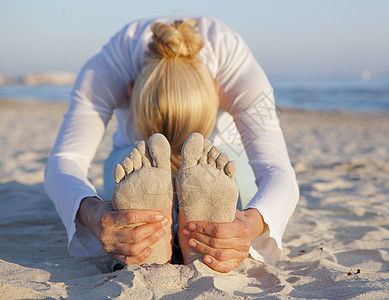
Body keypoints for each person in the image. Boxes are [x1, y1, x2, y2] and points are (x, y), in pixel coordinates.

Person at [44, 15, 299, 273]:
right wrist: (97, 215)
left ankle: (156, 231)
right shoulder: (113, 66)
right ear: (131, 90)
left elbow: (277, 170)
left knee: (203, 173)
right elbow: (65, 161)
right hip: (145, 157)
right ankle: (178, 225)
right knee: (137, 175)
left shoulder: (234, 67)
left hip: (208, 158)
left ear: (217, 89)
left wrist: (248, 224)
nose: (174, 166)